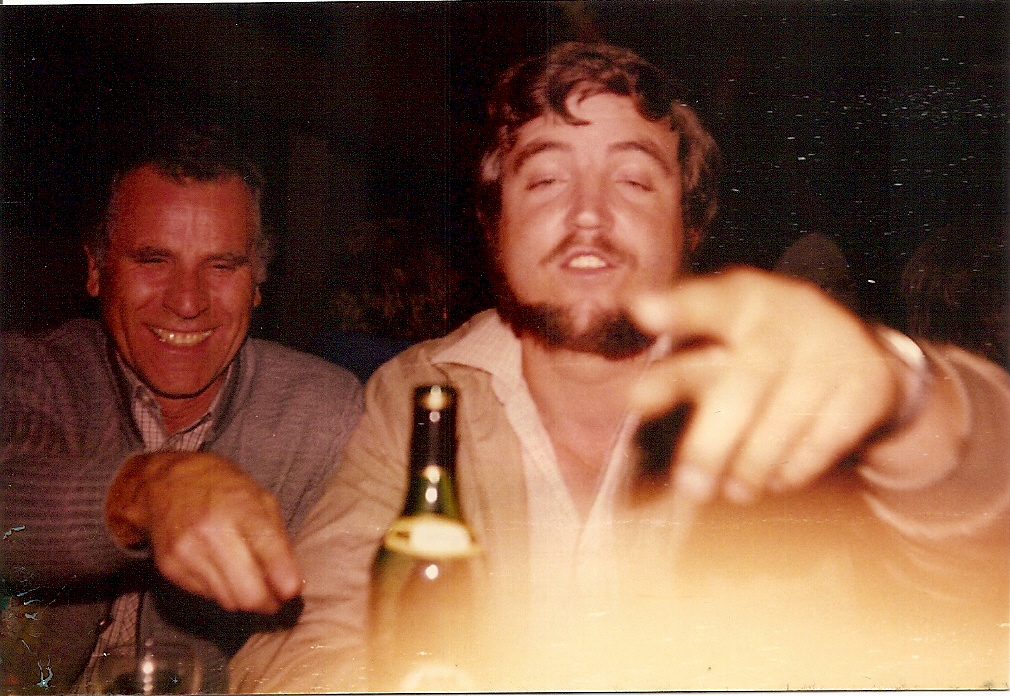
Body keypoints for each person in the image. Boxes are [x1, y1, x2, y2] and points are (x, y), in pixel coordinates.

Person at [229, 43, 1009, 692]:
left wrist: (906, 397)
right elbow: (300, 647)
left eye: (634, 180)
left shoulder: (773, 392)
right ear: (494, 224)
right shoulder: (422, 394)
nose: (588, 214)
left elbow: (979, 578)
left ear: (689, 224)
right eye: (545, 179)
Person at [0, 123, 364, 693]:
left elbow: (344, 627)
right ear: (96, 270)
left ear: (258, 282)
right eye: (153, 260)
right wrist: (143, 491)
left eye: (221, 266)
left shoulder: (327, 414)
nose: (188, 302)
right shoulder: (32, 374)